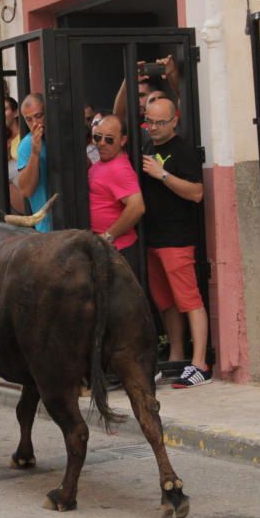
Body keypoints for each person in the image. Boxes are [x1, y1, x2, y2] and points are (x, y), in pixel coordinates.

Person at [140, 98, 209, 388]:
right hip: (152, 237)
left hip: (177, 238)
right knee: (165, 302)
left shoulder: (183, 150)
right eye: (149, 122)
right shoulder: (146, 147)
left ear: (174, 120)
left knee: (189, 300)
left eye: (159, 123)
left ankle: (200, 364)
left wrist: (162, 174)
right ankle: (177, 356)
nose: (153, 128)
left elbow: (196, 192)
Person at [88, 115, 144, 267]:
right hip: (107, 250)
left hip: (118, 251)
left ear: (123, 140)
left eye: (109, 139)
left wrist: (107, 237)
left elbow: (137, 207)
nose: (102, 143)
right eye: (97, 137)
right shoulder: (103, 162)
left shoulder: (119, 168)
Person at [17, 93, 52, 232]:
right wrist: (35, 154)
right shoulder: (27, 145)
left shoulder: (61, 134)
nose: (35, 124)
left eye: (39, 116)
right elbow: (26, 190)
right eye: (29, 120)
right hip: (47, 227)